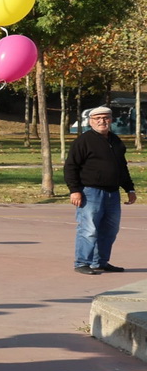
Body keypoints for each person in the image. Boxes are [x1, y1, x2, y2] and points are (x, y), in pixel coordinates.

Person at [64, 105, 135, 274]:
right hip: (90, 192)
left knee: (110, 230)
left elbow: (122, 167)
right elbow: (70, 166)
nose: (102, 121)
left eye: (106, 118)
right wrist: (74, 190)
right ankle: (82, 262)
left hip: (112, 193)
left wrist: (129, 189)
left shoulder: (115, 141)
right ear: (91, 121)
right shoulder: (83, 140)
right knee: (89, 229)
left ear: (111, 120)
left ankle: (100, 262)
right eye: (98, 118)